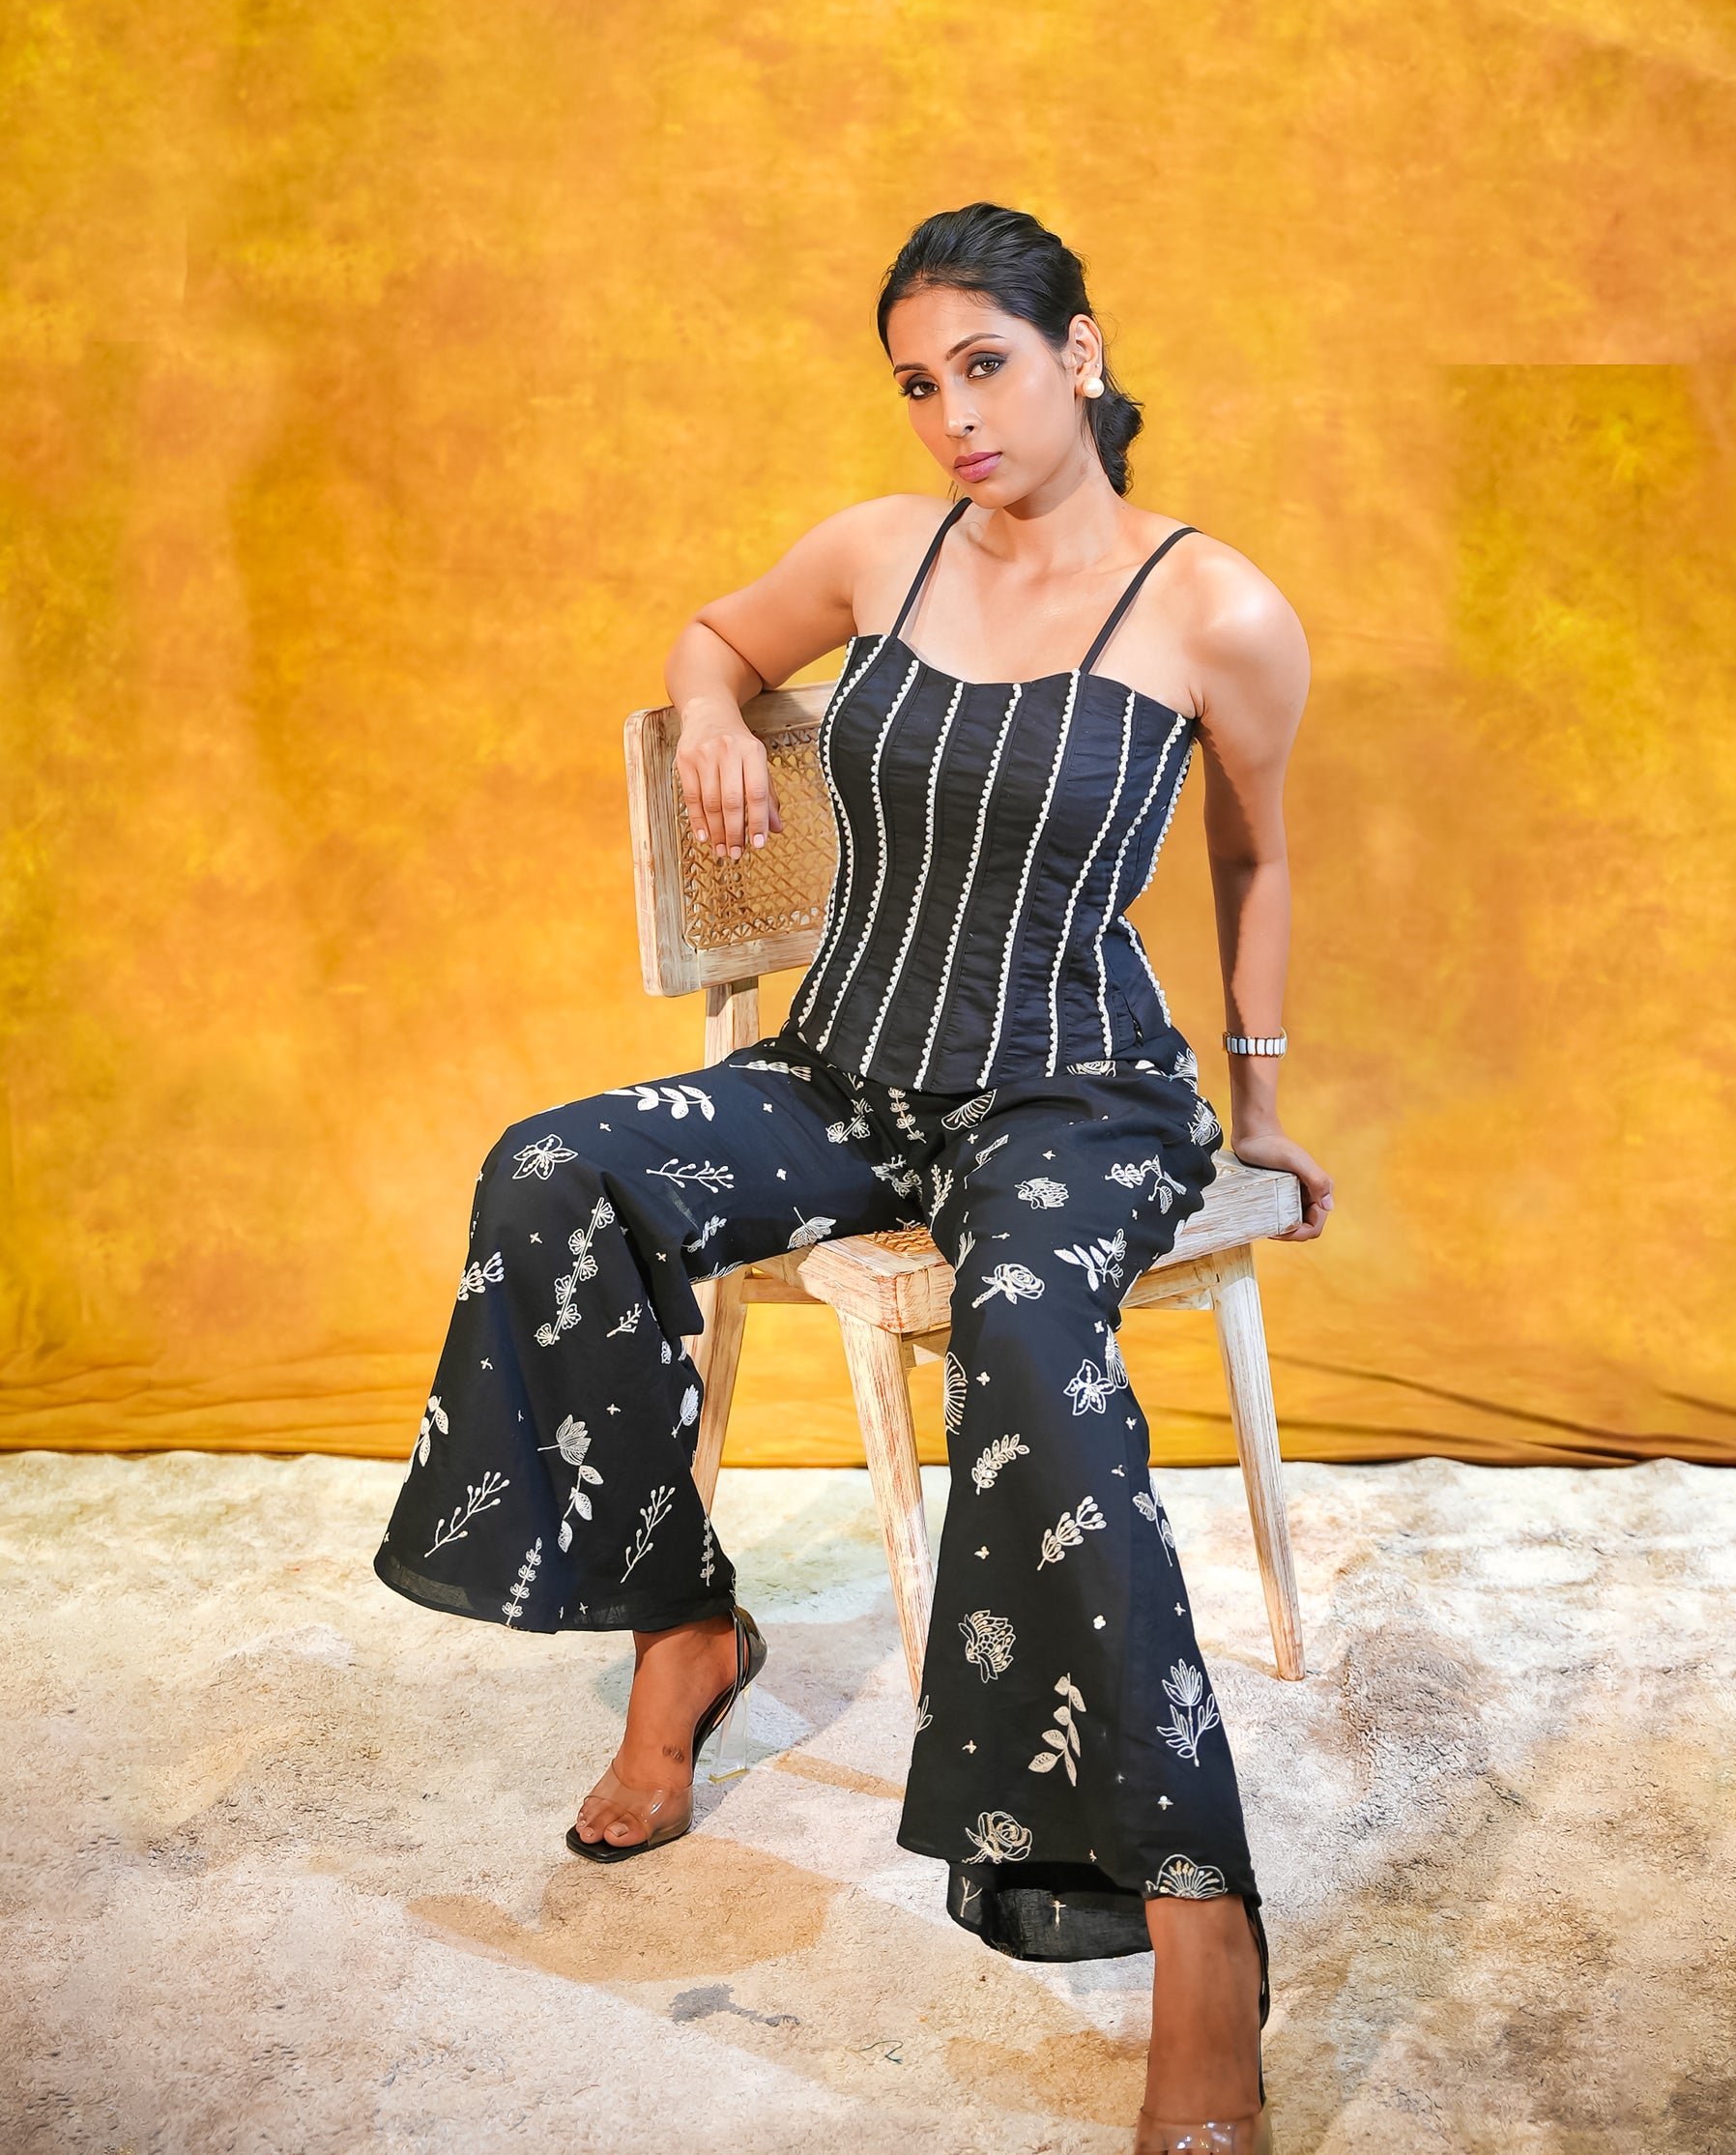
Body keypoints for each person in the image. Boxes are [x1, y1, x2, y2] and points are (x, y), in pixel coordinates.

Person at [376, 202, 1332, 2154]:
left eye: (985, 364)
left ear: (1079, 354)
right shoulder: (877, 550)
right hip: (847, 1070)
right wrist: (709, 711)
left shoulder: (1214, 608)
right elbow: (715, 635)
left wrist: (1259, 1099)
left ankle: (1197, 1919)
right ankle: (682, 1624)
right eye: (916, 380)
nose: (951, 414)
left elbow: (1257, 851)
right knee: (554, 1168)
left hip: (1072, 1094)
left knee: (1029, 1348)